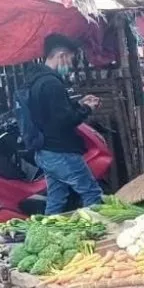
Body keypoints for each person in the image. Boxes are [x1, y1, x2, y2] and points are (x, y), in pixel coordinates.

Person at [25, 34, 103, 214]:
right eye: (70, 59)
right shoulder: (52, 83)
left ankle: (49, 234)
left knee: (57, 198)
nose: (70, 65)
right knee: (92, 193)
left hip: (45, 151)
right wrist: (88, 109)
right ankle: (99, 233)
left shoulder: (37, 80)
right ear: (61, 55)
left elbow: (52, 113)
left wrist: (80, 104)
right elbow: (65, 121)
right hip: (61, 153)